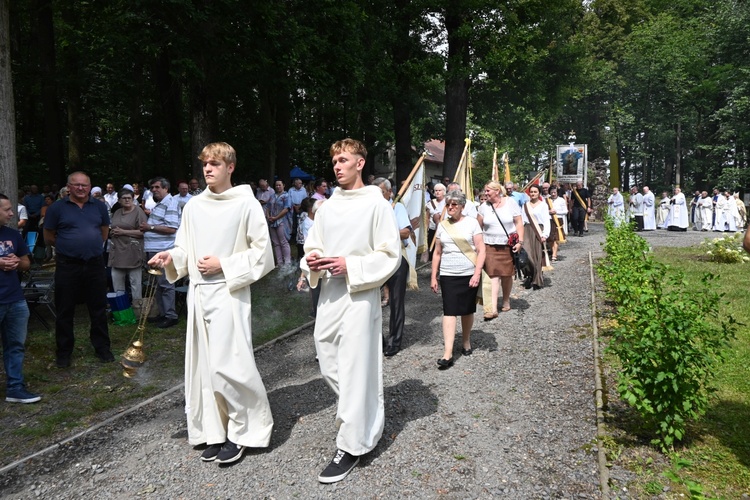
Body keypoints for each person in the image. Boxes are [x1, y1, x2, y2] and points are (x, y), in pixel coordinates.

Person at [148, 142, 275, 465]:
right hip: (199, 294)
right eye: (204, 163)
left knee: (230, 365)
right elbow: (184, 250)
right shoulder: (193, 207)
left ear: (230, 167)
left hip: (229, 292)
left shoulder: (246, 205)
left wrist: (225, 264)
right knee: (204, 367)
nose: (207, 169)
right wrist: (170, 257)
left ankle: (244, 431)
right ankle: (216, 430)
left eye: (215, 164)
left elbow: (263, 254)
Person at [300, 138, 400, 484]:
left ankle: (353, 443)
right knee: (327, 358)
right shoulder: (326, 207)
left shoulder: (377, 205)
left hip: (360, 293)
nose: (337, 167)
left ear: (360, 163)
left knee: (356, 366)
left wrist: (351, 265)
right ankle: (363, 410)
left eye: (343, 160)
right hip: (329, 292)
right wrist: (311, 260)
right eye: (334, 162)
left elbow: (390, 255)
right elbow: (312, 243)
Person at [43, 172, 114, 367]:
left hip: (94, 264)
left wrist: (87, 245)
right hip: (68, 265)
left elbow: (104, 232)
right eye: (76, 185)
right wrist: (68, 245)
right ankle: (64, 352)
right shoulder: (57, 208)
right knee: (65, 309)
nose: (81, 188)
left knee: (98, 308)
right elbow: (49, 236)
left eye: (84, 185)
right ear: (69, 187)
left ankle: (102, 348)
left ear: (90, 187)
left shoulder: (99, 206)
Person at [430, 189, 485, 368]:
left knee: (467, 309)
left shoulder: (472, 223)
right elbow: (437, 253)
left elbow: (481, 249)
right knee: (449, 310)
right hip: (447, 274)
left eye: (454, 204)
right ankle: (448, 352)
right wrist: (433, 276)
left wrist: (477, 273)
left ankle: (466, 341)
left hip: (468, 273)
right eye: (448, 204)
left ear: (462, 206)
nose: (450, 207)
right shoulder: (443, 225)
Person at [0, 194, 41, 403]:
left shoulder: (12, 234)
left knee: (15, 345)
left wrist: (18, 261)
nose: (11, 213)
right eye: (7, 209)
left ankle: (15, 387)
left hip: (15, 299)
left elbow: (26, 263)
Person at [374, 178, 411, 357]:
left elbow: (406, 231)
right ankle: (376, 340)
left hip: (396, 258)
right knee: (370, 300)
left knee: (396, 301)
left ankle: (394, 342)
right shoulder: (371, 209)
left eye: (380, 192)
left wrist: (387, 233)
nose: (377, 196)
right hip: (375, 260)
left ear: (389, 192)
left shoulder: (397, 207)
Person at [476, 181, 523, 319]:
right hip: (489, 245)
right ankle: (492, 308)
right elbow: (477, 226)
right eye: (485, 191)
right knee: (493, 275)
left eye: (488, 191)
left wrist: (520, 241)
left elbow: (519, 223)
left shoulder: (510, 203)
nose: (486, 193)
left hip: (508, 245)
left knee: (507, 274)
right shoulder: (483, 207)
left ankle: (506, 299)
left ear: (497, 191)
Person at [140, 177, 180, 328]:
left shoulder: (170, 203)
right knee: (157, 283)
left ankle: (171, 315)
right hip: (154, 249)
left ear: (166, 188)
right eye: (152, 188)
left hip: (163, 250)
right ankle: (162, 314)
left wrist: (149, 228)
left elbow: (171, 228)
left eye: (157, 187)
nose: (154, 190)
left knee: (166, 283)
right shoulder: (160, 204)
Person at [108, 189, 148, 303]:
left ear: (133, 199)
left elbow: (143, 232)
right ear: (119, 200)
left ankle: (137, 309)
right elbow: (113, 227)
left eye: (129, 198)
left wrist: (123, 232)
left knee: (135, 283)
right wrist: (112, 233)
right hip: (117, 251)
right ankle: (122, 310)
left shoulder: (138, 212)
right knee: (117, 281)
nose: (126, 200)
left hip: (132, 251)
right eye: (124, 198)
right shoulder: (117, 212)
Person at [522, 185, 549, 290]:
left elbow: (546, 220)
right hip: (527, 230)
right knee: (527, 254)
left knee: (537, 255)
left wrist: (545, 234)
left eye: (535, 192)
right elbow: (522, 220)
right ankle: (529, 274)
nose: (533, 194)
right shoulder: (525, 205)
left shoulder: (543, 205)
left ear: (539, 193)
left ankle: (536, 279)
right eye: (531, 192)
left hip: (538, 230)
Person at [266, 179, 293, 268]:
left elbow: (286, 209)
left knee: (283, 241)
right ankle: (279, 262)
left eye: (279, 185)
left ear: (283, 185)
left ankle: (287, 262)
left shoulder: (286, 196)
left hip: (282, 221)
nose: (278, 187)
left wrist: (276, 217)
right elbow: (268, 207)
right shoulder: (272, 196)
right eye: (276, 185)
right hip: (272, 222)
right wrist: (268, 216)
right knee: (276, 243)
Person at [288, 177, 308, 259]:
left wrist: (300, 206)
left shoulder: (303, 190)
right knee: (294, 223)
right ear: (295, 184)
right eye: (299, 183)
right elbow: (289, 199)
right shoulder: (291, 190)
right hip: (293, 207)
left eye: (301, 183)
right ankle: (295, 238)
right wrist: (295, 206)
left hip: (301, 207)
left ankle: (301, 238)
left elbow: (305, 199)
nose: (300, 184)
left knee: (301, 223)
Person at [426, 183, 446, 261]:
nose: (437, 192)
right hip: (432, 230)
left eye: (439, 190)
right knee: (432, 251)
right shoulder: (430, 203)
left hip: (443, 230)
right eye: (436, 190)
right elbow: (427, 217)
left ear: (443, 191)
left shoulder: (447, 202)